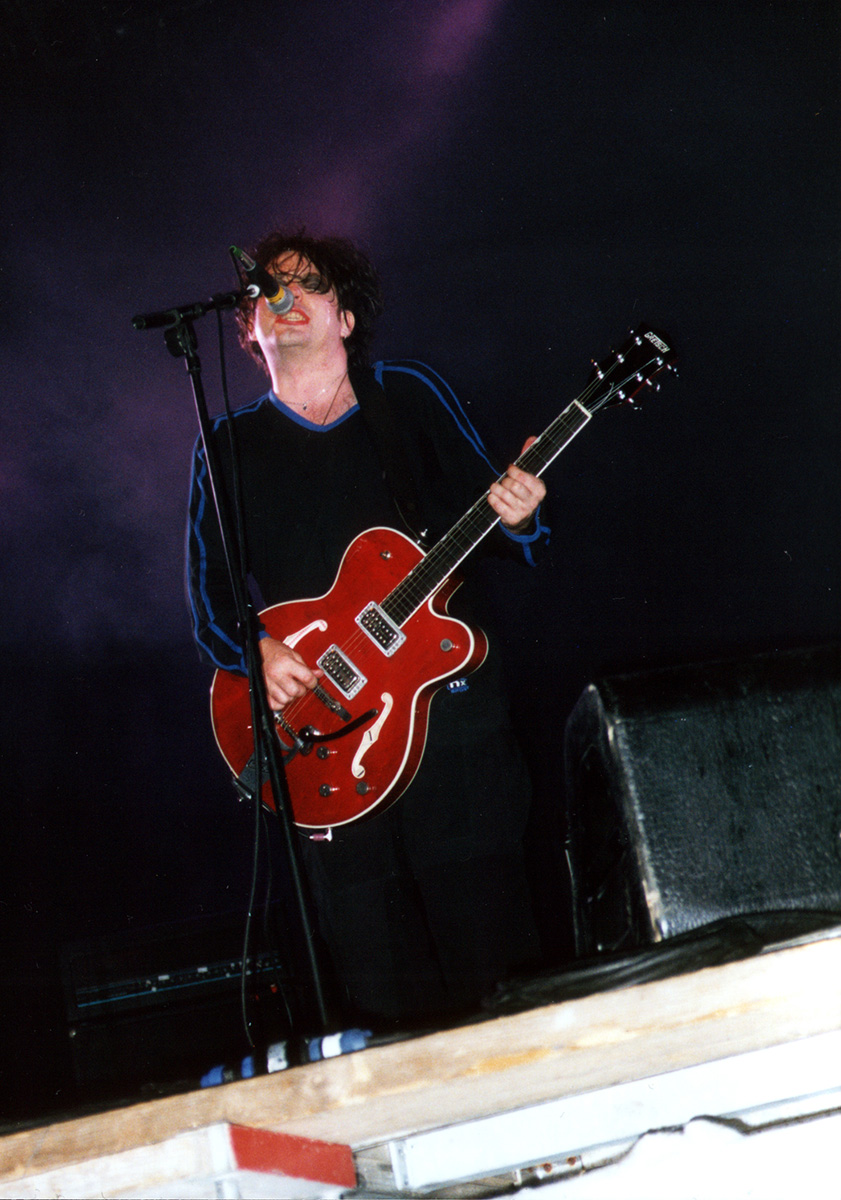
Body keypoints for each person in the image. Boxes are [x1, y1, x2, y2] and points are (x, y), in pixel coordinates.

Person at [186, 230, 550, 1031]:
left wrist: (520, 516)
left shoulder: (404, 396)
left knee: (495, 965)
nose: (285, 300)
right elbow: (209, 594)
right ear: (248, 329)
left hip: (446, 723)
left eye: (309, 285)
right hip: (326, 742)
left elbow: (494, 516)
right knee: (379, 987)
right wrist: (255, 650)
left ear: (346, 318)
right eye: (268, 291)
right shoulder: (227, 445)